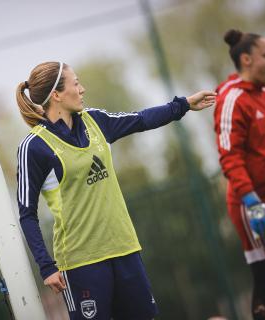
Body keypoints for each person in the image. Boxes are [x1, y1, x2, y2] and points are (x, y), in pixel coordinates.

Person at [16, 61, 216, 320]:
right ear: (56, 95)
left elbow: (141, 119)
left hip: (124, 248)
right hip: (80, 261)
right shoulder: (34, 147)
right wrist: (46, 266)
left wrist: (184, 104)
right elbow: (27, 213)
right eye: (76, 83)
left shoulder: (95, 120)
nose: (82, 89)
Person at [214, 29, 265, 320]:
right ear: (247, 59)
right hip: (259, 207)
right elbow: (229, 156)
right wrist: (252, 201)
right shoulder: (232, 98)